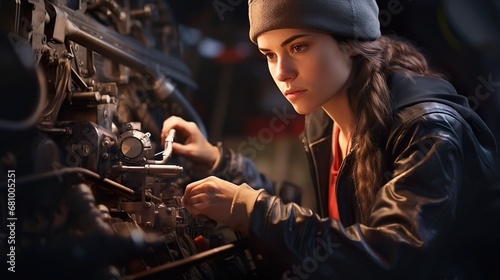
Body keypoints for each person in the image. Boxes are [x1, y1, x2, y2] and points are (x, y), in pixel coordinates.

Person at [161, 0, 500, 279]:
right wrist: (221, 164)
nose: (282, 73)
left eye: (299, 46)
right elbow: (325, 230)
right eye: (270, 54)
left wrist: (254, 212)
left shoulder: (427, 129)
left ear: (350, 43)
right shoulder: (324, 120)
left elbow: (388, 260)